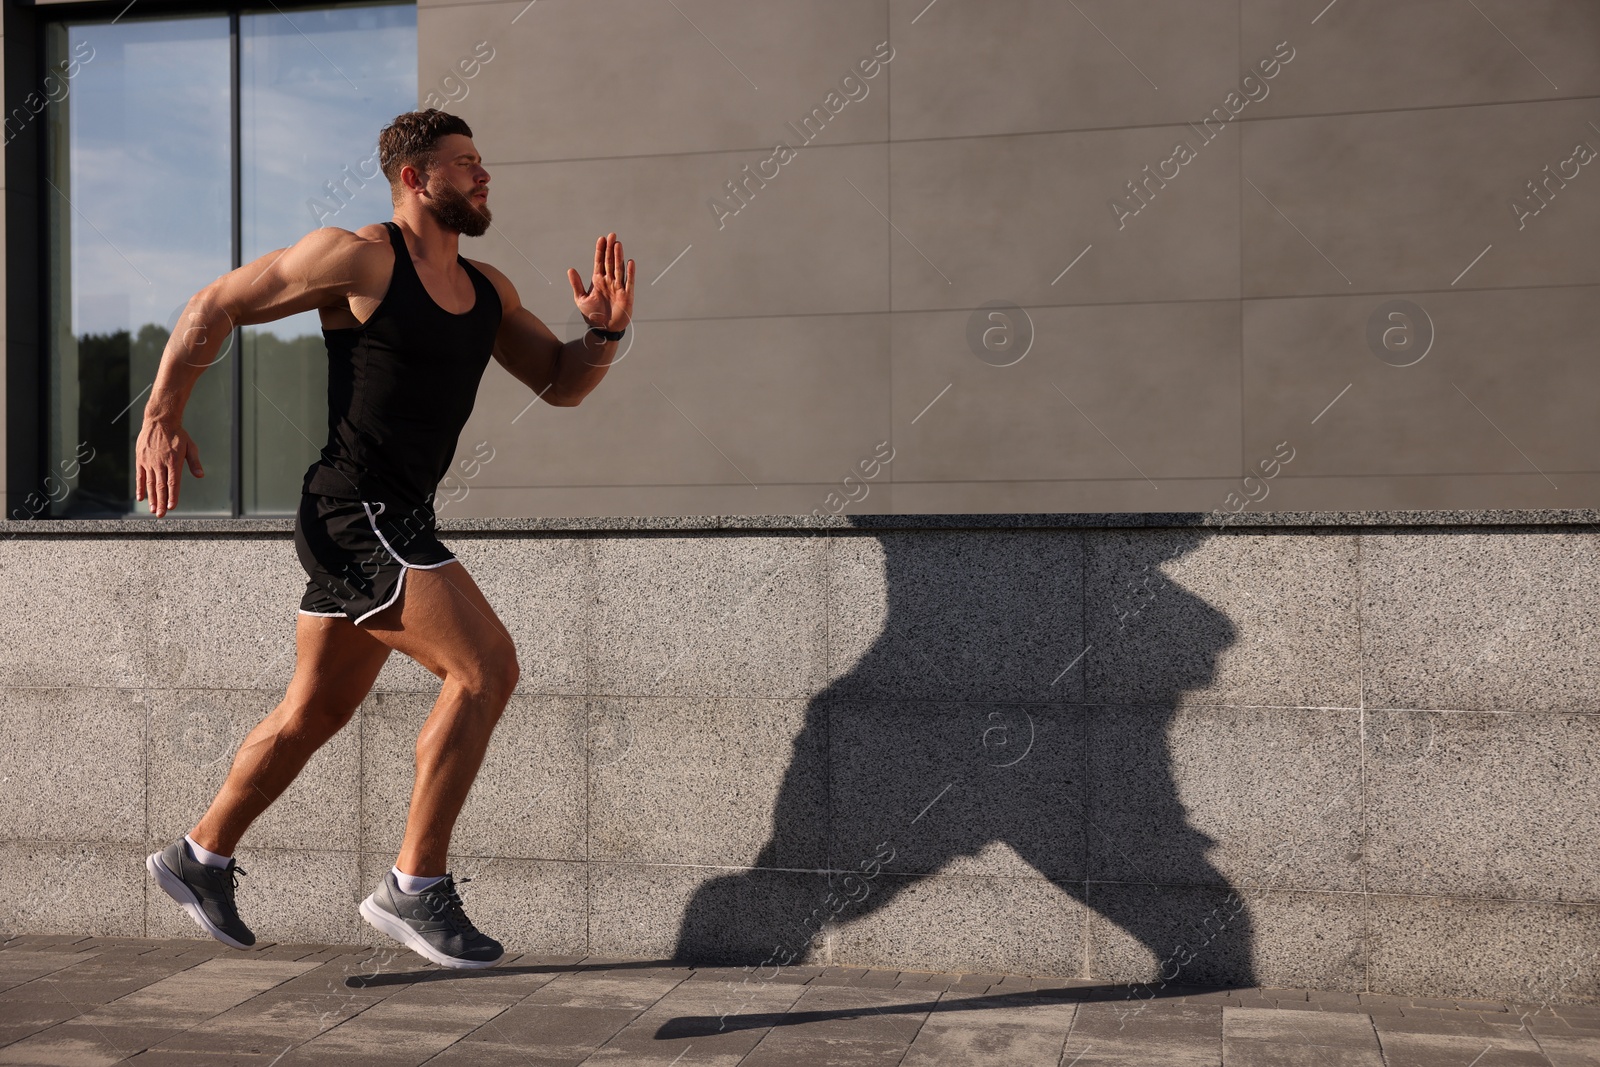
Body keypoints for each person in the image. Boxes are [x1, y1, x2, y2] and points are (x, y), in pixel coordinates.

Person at [135, 109, 633, 969]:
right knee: (486, 667)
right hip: (355, 510)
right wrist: (159, 412)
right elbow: (215, 302)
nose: (484, 177)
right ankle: (415, 886)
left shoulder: (488, 291)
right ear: (415, 177)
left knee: (315, 709)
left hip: (397, 516)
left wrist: (604, 335)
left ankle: (199, 855)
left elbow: (559, 384)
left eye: (483, 162)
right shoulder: (360, 258)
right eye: (465, 164)